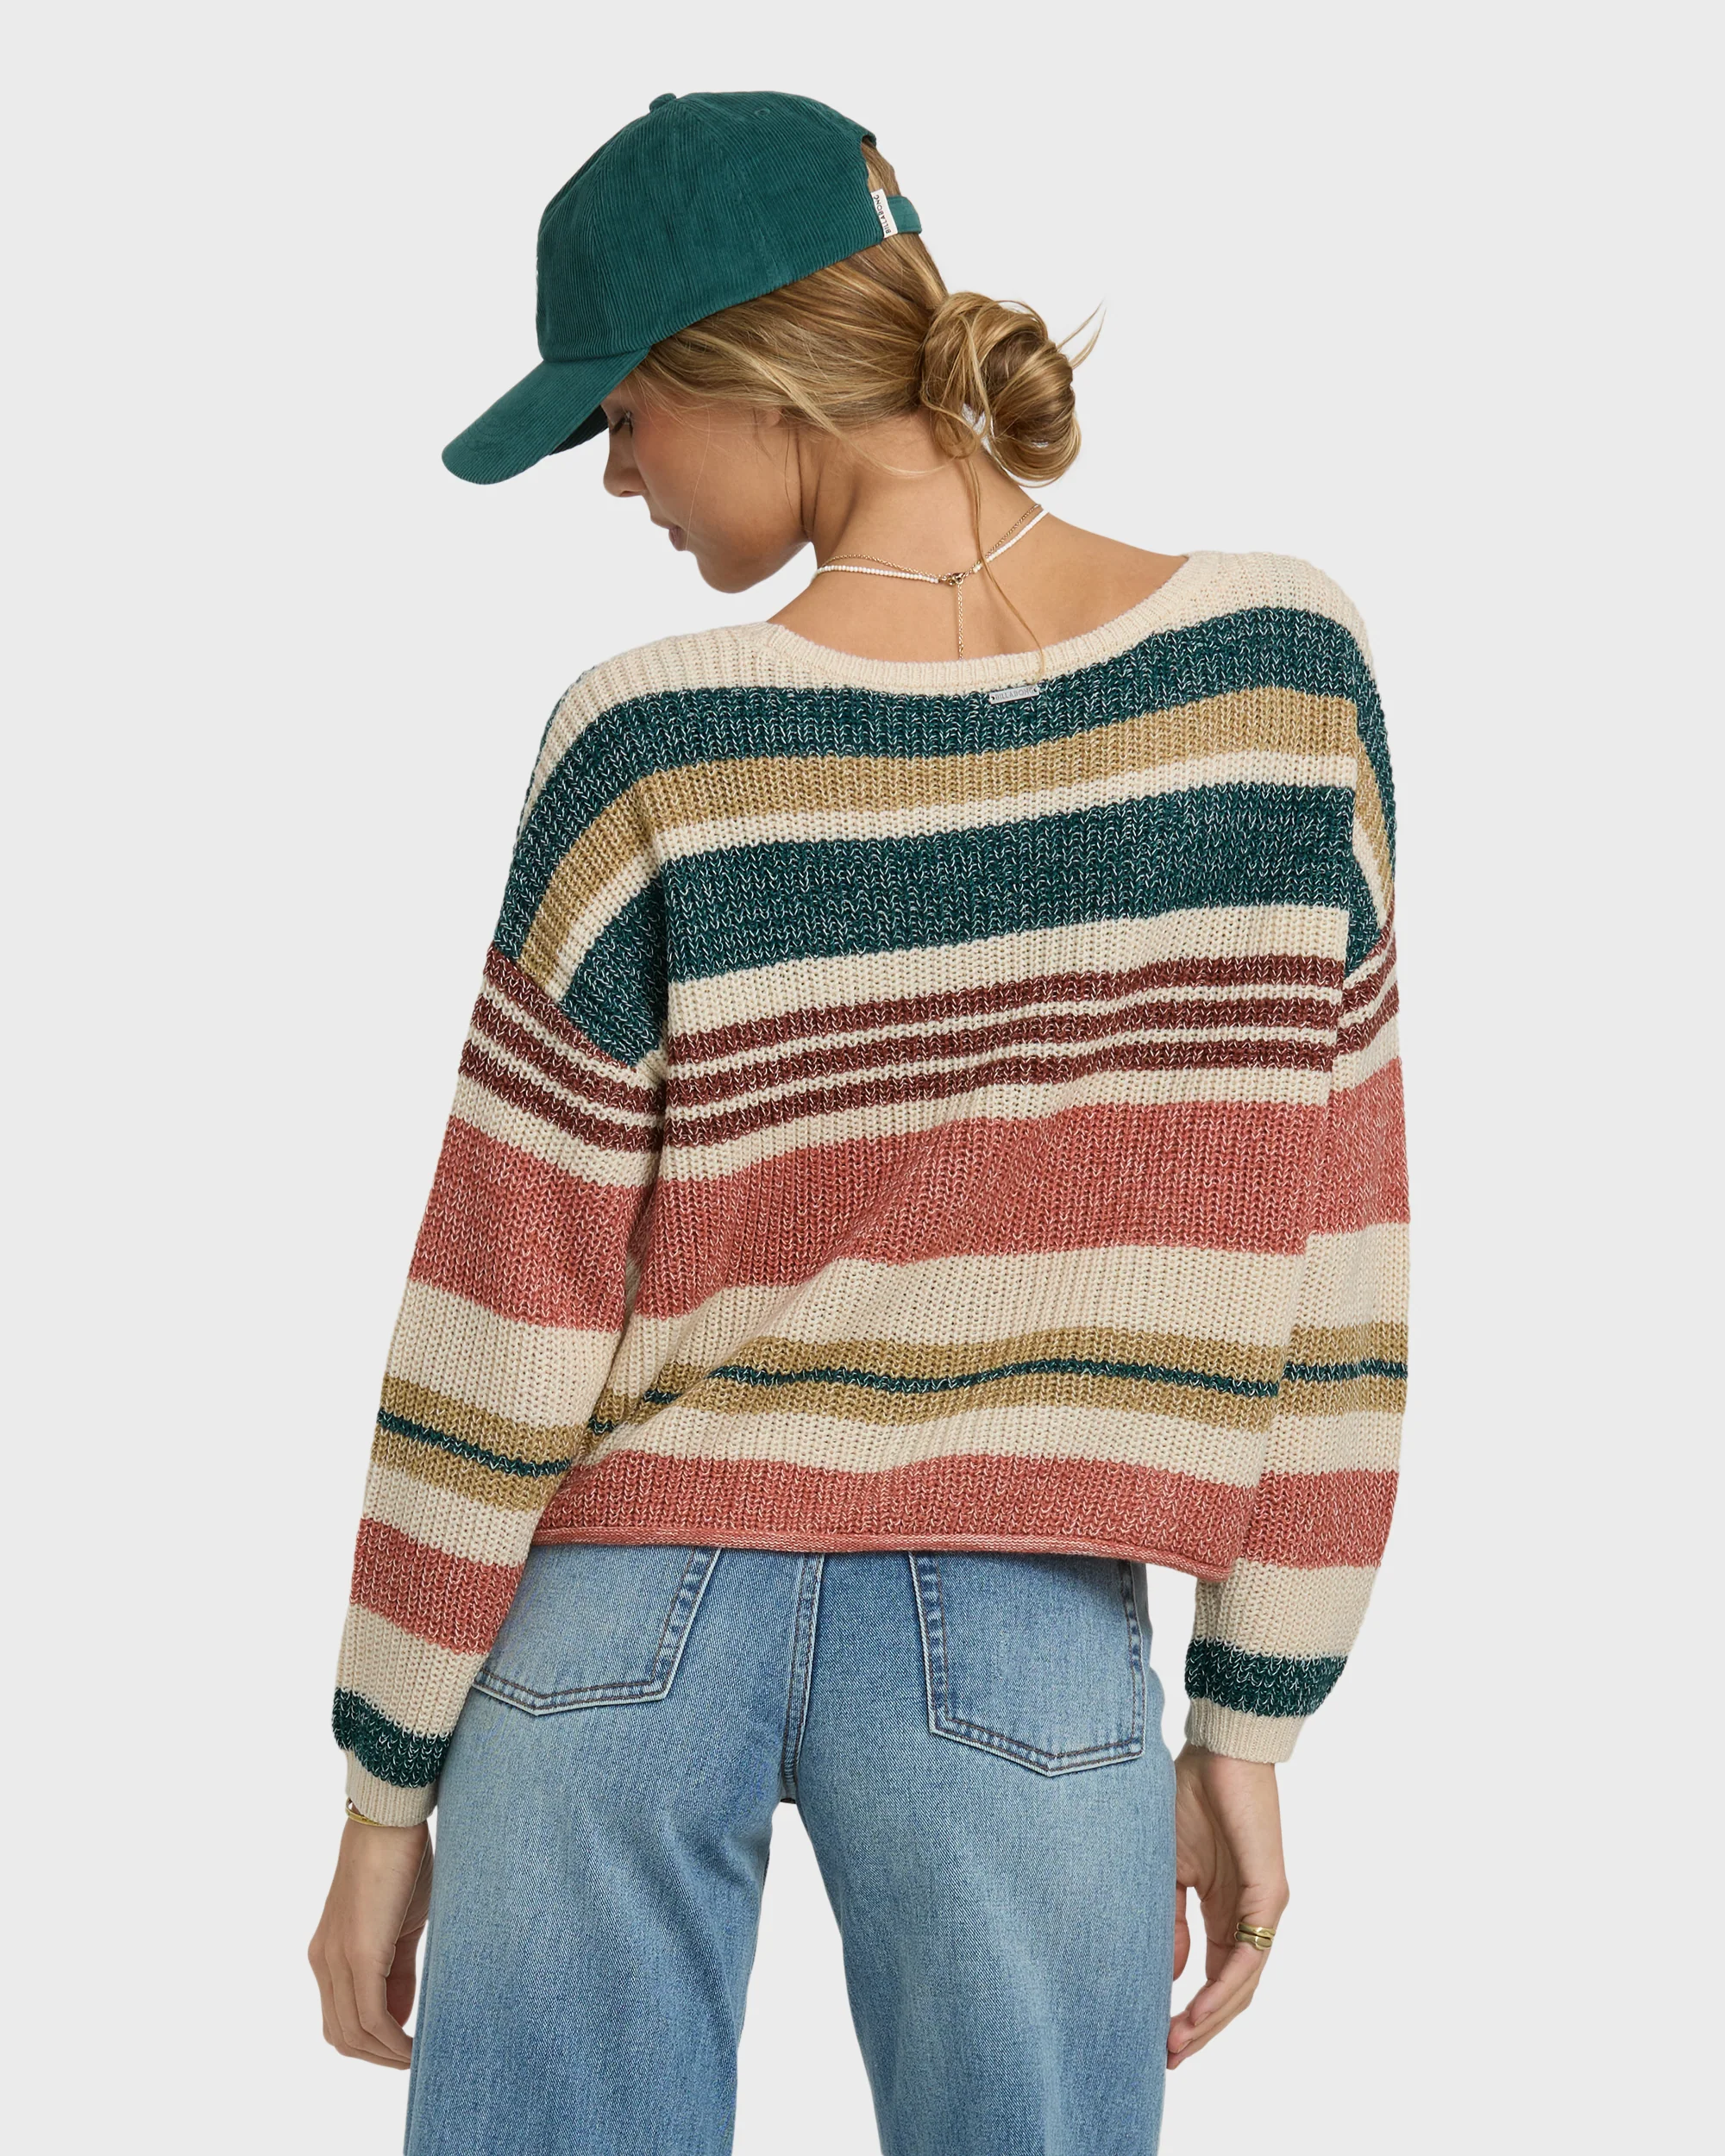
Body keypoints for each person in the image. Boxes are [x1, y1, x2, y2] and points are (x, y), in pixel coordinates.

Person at [308, 90, 1408, 2156]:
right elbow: (1332, 1260)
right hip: (1023, 1609)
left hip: (612, 1620)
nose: (615, 474)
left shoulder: (652, 736)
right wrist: (1252, 1712)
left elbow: (506, 1294)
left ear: (746, 368)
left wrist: (385, 1785)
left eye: (620, 414)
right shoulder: (1281, 677)